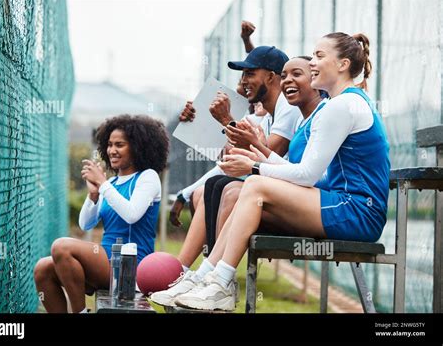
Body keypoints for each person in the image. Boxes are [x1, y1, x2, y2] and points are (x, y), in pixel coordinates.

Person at [174, 32, 390, 311]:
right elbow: (301, 171)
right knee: (239, 190)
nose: (313, 62)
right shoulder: (340, 104)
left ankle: (221, 283)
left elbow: (307, 176)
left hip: (357, 212)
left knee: (254, 186)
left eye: (319, 56)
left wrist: (254, 166)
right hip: (342, 204)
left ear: (342, 64)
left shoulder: (342, 105)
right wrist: (257, 154)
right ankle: (207, 277)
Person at [150, 56, 325, 308]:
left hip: (319, 206)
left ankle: (216, 280)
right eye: (286, 75)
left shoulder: (306, 111)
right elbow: (236, 152)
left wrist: (247, 148)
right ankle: (200, 276)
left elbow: (306, 173)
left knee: (235, 190)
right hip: (299, 196)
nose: (243, 81)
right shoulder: (276, 115)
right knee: (214, 188)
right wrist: (203, 118)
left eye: (249, 73)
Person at [34, 114, 169, 313]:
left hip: (131, 267)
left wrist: (103, 184)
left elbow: (132, 214)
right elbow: (85, 224)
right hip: (106, 261)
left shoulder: (147, 177)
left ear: (137, 147)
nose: (112, 150)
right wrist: (94, 194)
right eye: (109, 144)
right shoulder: (112, 185)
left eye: (119, 145)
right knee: (43, 268)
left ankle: (80, 312)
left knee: (61, 246)